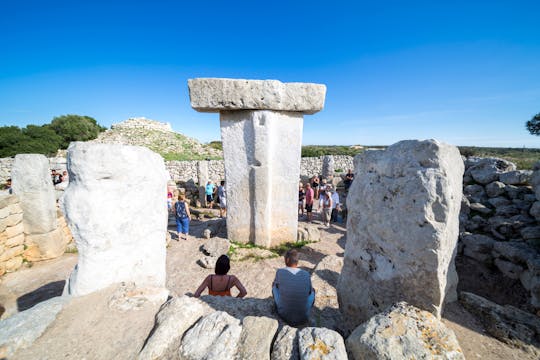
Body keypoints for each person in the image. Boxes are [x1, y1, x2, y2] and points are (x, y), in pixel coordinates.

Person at [272, 249, 315, 326]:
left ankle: (280, 306)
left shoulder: (280, 272)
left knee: (274, 286)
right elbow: (309, 291)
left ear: (287, 259)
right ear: (297, 261)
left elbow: (276, 286)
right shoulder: (306, 274)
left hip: (284, 315)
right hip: (303, 316)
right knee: (313, 291)